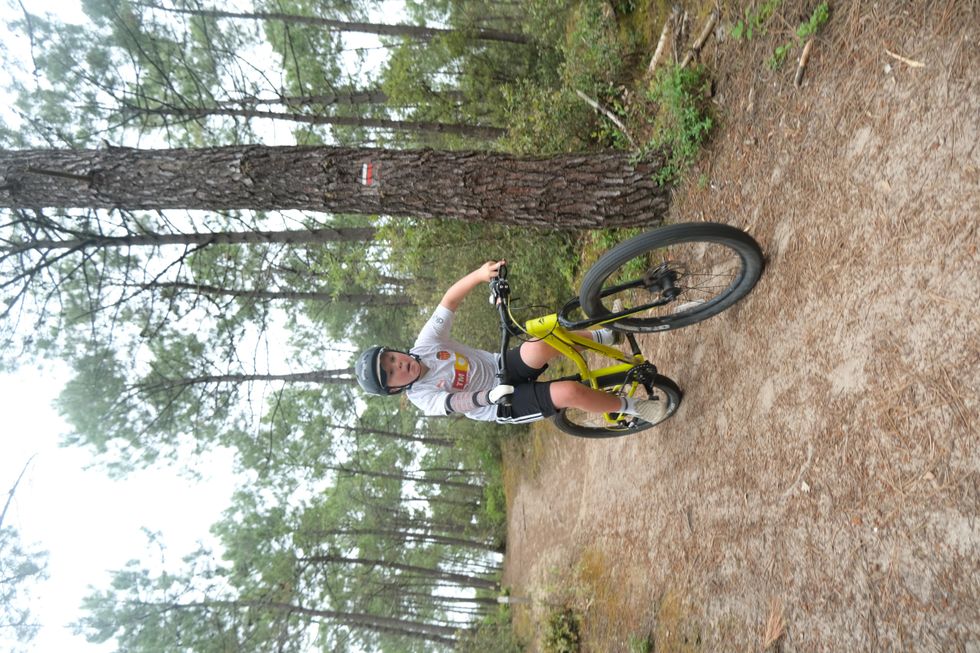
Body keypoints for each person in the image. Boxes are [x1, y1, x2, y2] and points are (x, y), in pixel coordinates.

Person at [354, 261, 667, 425]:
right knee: (569, 392)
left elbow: (449, 299)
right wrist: (488, 396)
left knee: (543, 338)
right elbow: (454, 404)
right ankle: (634, 408)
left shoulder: (425, 345)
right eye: (391, 373)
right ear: (395, 389)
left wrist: (479, 276)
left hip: (501, 365)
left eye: (390, 359)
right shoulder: (423, 397)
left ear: (395, 351)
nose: (397, 365)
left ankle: (605, 335)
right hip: (502, 405)